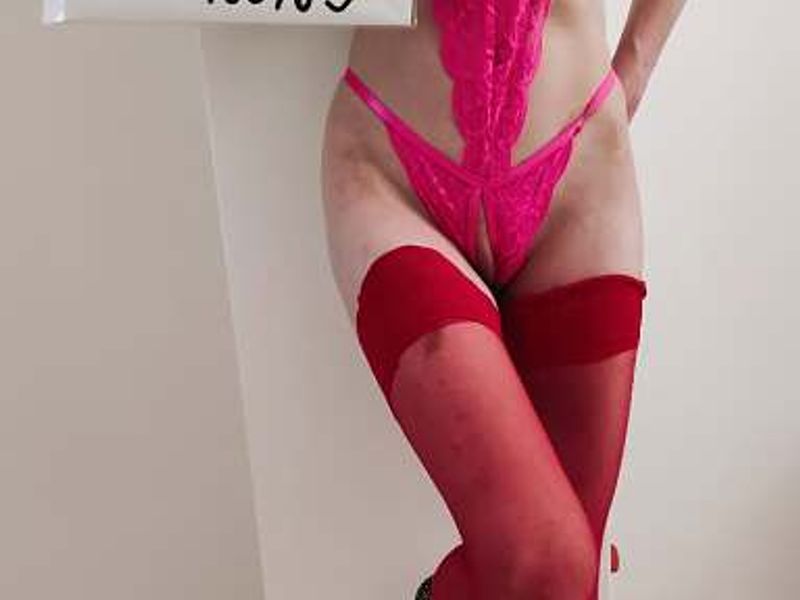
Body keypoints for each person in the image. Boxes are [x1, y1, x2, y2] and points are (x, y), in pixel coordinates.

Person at [320, 0, 686, 598]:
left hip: (579, 180)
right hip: (391, 170)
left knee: (572, 576)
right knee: (555, 568)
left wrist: (636, 66)